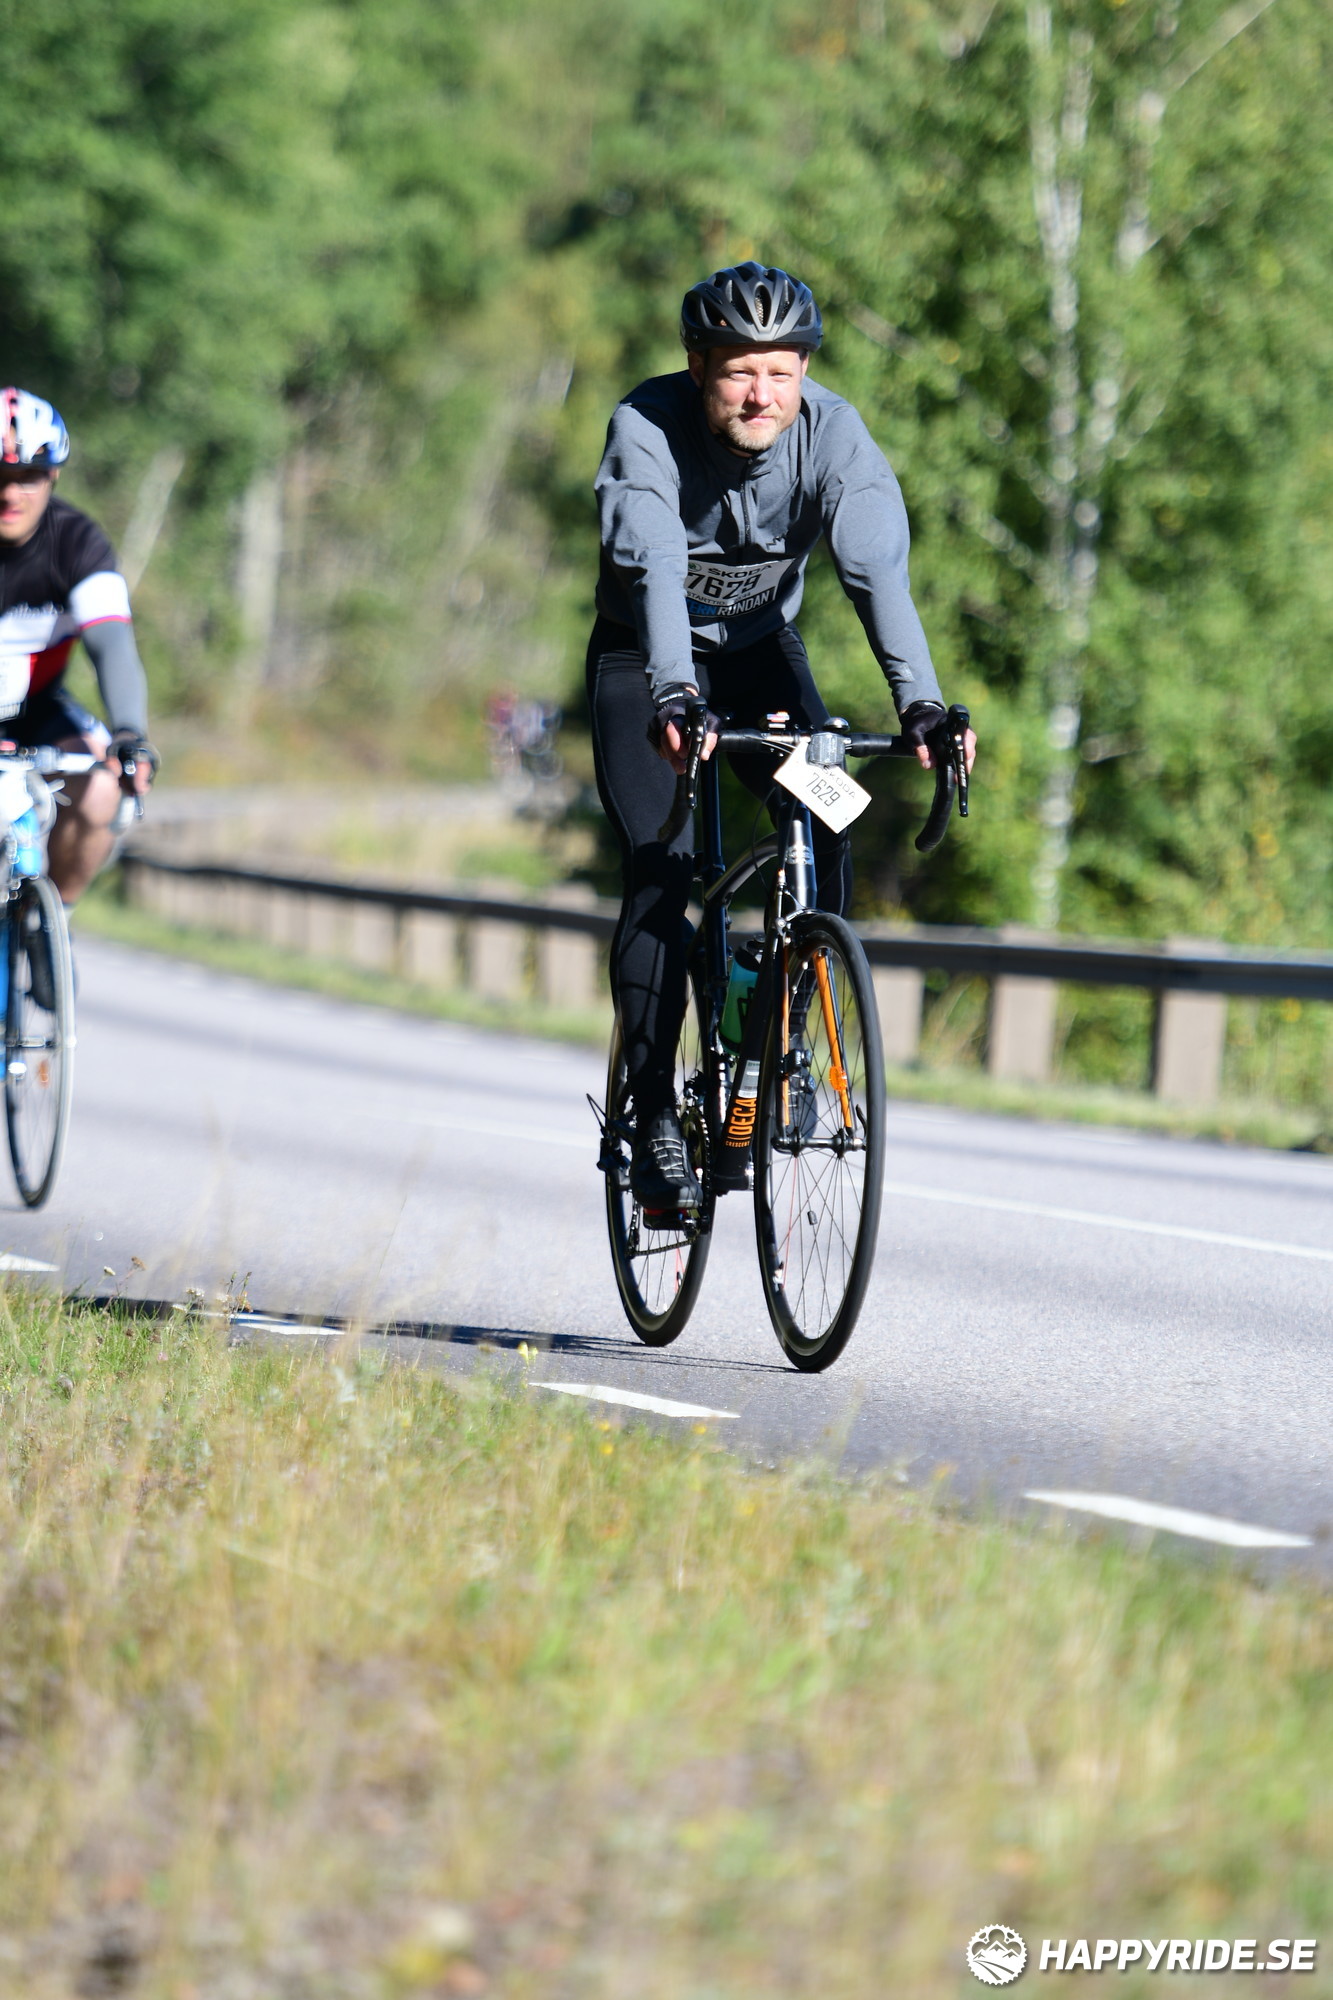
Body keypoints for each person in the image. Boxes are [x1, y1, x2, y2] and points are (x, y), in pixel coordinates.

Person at [589, 262, 976, 1213]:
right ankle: (649, 1122)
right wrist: (675, 693)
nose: (761, 394)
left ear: (804, 370)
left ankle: (778, 1037)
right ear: (697, 367)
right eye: (737, 372)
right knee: (661, 873)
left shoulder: (834, 435)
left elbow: (876, 569)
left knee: (829, 814)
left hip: (759, 653)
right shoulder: (646, 425)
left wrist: (923, 706)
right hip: (645, 659)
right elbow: (654, 559)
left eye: (780, 371)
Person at [0, 386, 157, 911]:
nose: (10, 493)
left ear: (54, 476)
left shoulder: (77, 542)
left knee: (101, 790)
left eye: (28, 476)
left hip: (39, 711)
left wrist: (129, 732)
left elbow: (112, 644)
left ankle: (52, 921)